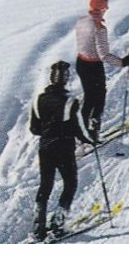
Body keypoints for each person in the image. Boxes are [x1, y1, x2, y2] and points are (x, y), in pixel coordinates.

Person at [28, 60, 91, 241]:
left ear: (50, 78)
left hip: (45, 147)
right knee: (70, 183)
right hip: (64, 147)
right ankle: (57, 225)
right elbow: (78, 129)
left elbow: (34, 129)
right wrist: (88, 140)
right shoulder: (70, 101)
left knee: (45, 185)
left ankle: (38, 228)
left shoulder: (38, 100)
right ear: (65, 79)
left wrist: (48, 129)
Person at [73, 0, 129, 137]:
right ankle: (94, 131)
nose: (106, 10)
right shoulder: (99, 28)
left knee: (89, 97)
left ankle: (83, 131)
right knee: (99, 97)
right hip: (93, 66)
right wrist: (123, 62)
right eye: (105, 7)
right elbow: (104, 56)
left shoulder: (81, 20)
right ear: (102, 8)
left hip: (81, 63)